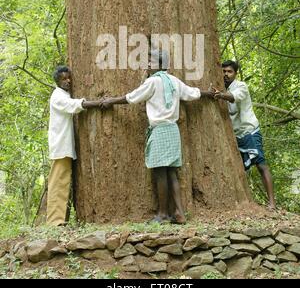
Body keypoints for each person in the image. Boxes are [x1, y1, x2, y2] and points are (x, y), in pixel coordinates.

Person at [100, 49, 214, 224]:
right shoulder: (174, 81)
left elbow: (132, 97)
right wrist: (209, 93)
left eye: (151, 61)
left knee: (160, 172)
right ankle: (179, 213)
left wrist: (111, 101)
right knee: (172, 172)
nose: (147, 64)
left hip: (160, 130)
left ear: (162, 65)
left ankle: (162, 214)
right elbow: (193, 93)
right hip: (173, 130)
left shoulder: (152, 82)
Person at [212, 60, 275, 209]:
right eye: (224, 71)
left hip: (249, 131)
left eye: (229, 71)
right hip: (235, 136)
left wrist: (220, 95)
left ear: (235, 73)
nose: (226, 74)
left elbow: (233, 97)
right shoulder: (220, 87)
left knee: (261, 165)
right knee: (238, 168)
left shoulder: (241, 86)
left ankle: (272, 203)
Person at [47, 65, 102, 226]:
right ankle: (54, 221)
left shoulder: (64, 94)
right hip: (60, 147)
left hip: (64, 146)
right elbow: (74, 105)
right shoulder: (58, 96)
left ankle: (58, 219)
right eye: (63, 79)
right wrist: (97, 103)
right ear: (57, 81)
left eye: (68, 77)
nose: (68, 81)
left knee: (63, 181)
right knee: (59, 182)